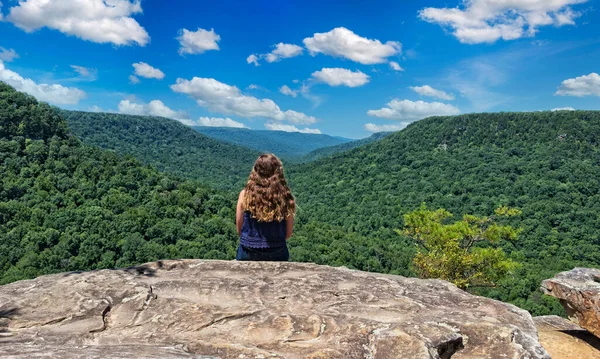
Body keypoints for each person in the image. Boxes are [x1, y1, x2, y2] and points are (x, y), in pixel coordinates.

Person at [235, 154, 295, 261]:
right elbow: (288, 233)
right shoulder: (285, 197)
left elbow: (240, 229)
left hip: (248, 252)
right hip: (277, 252)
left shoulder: (245, 195)